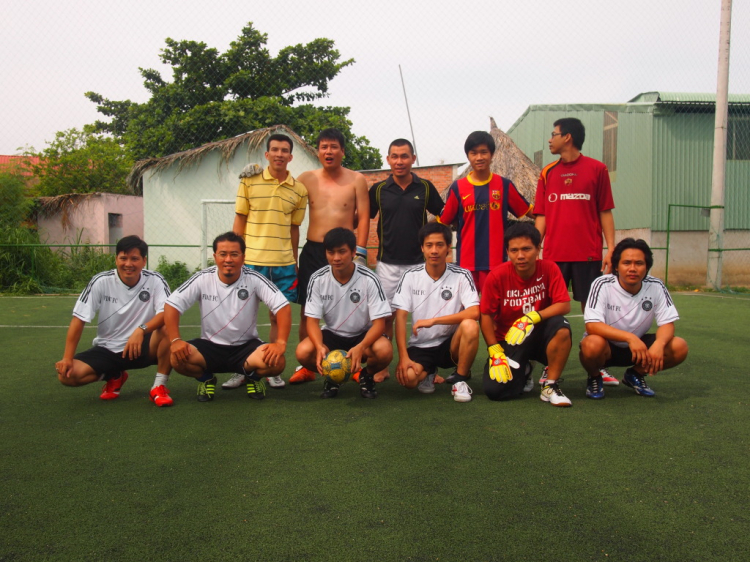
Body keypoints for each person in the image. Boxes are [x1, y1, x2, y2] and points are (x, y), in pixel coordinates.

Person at [534, 117, 617, 385]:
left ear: (567, 137)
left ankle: (597, 366)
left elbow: (605, 211)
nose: (550, 139)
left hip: (588, 254)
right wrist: (536, 247)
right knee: (550, 312)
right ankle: (550, 365)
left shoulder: (597, 169)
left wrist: (611, 248)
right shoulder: (547, 172)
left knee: (593, 312)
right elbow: (542, 216)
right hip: (554, 256)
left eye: (553, 134)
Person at [164, 232, 292, 402]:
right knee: (176, 358)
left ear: (243, 257)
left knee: (278, 363)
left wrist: (281, 343)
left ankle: (252, 378)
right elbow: (172, 304)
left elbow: (283, 307)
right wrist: (175, 340)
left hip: (246, 348)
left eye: (234, 254)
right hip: (209, 347)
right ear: (215, 256)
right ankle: (206, 379)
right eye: (223, 254)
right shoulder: (202, 278)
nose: (228, 260)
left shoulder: (254, 279)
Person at [288, 128, 370, 385]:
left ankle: (353, 363)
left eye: (334, 146)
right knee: (307, 313)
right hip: (313, 251)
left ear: (342, 151)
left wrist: (362, 254)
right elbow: (284, 202)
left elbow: (365, 217)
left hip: (346, 254)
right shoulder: (305, 179)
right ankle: (310, 366)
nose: (328, 151)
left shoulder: (357, 179)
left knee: (354, 308)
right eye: (323, 147)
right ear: (318, 151)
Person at [55, 235, 173, 407]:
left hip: (143, 346)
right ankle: (114, 375)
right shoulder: (101, 281)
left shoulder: (155, 280)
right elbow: (79, 319)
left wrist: (141, 330)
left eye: (134, 259)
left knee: (167, 329)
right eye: (123, 258)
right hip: (108, 349)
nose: (128, 264)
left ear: (144, 261)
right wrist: (67, 358)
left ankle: (159, 386)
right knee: (67, 376)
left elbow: (167, 313)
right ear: (116, 259)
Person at [228, 133, 307, 390]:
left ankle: (273, 368)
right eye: (275, 150)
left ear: (291, 156)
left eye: (285, 150)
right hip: (251, 261)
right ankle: (241, 368)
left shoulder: (299, 190)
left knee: (277, 318)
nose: (279, 154)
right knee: (242, 318)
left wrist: (294, 261)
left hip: (283, 264)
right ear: (267, 154)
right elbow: (240, 218)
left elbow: (295, 229)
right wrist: (234, 257)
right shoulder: (249, 181)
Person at [369, 138, 445, 382]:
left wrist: (431, 241)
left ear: (413, 158)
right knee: (387, 316)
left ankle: (429, 366)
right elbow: (363, 216)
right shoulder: (379, 189)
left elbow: (444, 215)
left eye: (404, 156)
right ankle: (384, 365)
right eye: (394, 156)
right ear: (388, 159)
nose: (399, 161)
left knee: (424, 315)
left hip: (419, 264)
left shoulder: (425, 187)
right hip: (387, 265)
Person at [580, 238, 688, 399]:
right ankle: (595, 376)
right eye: (627, 263)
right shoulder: (602, 284)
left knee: (679, 346)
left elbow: (667, 323)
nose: (632, 269)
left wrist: (659, 344)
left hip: (640, 349)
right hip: (607, 348)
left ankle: (635, 374)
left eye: (639, 263)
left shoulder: (656, 286)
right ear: (616, 266)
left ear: (647, 267)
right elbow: (592, 326)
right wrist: (629, 338)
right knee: (591, 344)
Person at [479, 222, 573, 406]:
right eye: (514, 250)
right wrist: (494, 349)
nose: (520, 256)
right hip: (509, 340)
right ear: (507, 251)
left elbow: (564, 304)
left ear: (538, 248)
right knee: (495, 391)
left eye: (526, 249)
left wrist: (532, 317)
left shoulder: (549, 268)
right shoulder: (496, 276)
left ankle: (550, 385)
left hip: (539, 336)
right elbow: (486, 316)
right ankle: (526, 368)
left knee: (561, 326)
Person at [295, 227, 392, 399]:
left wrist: (361, 347)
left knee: (384, 350)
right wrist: (318, 346)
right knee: (303, 351)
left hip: (362, 335)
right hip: (332, 334)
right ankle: (332, 378)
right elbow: (311, 321)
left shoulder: (370, 278)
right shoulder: (317, 279)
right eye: (331, 252)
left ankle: (366, 376)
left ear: (354, 251)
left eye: (342, 252)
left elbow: (379, 323)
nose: (336, 258)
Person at [392, 222, 480, 403]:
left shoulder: (462, 274)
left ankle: (460, 379)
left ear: (448, 247)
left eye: (440, 245)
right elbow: (400, 318)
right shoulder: (410, 276)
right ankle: (429, 372)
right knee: (408, 380)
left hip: (450, 345)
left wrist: (434, 321)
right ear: (422, 248)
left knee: (470, 325)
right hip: (421, 345)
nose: (434, 250)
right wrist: (403, 357)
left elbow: (474, 311)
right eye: (429, 245)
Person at [439, 130, 532, 293]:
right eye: (474, 153)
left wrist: (554, 217)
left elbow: (529, 211)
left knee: (494, 312)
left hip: (495, 262)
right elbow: (443, 221)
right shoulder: (458, 187)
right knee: (468, 311)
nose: (479, 157)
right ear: (468, 156)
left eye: (484, 152)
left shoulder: (504, 185)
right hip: (467, 263)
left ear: (492, 154)